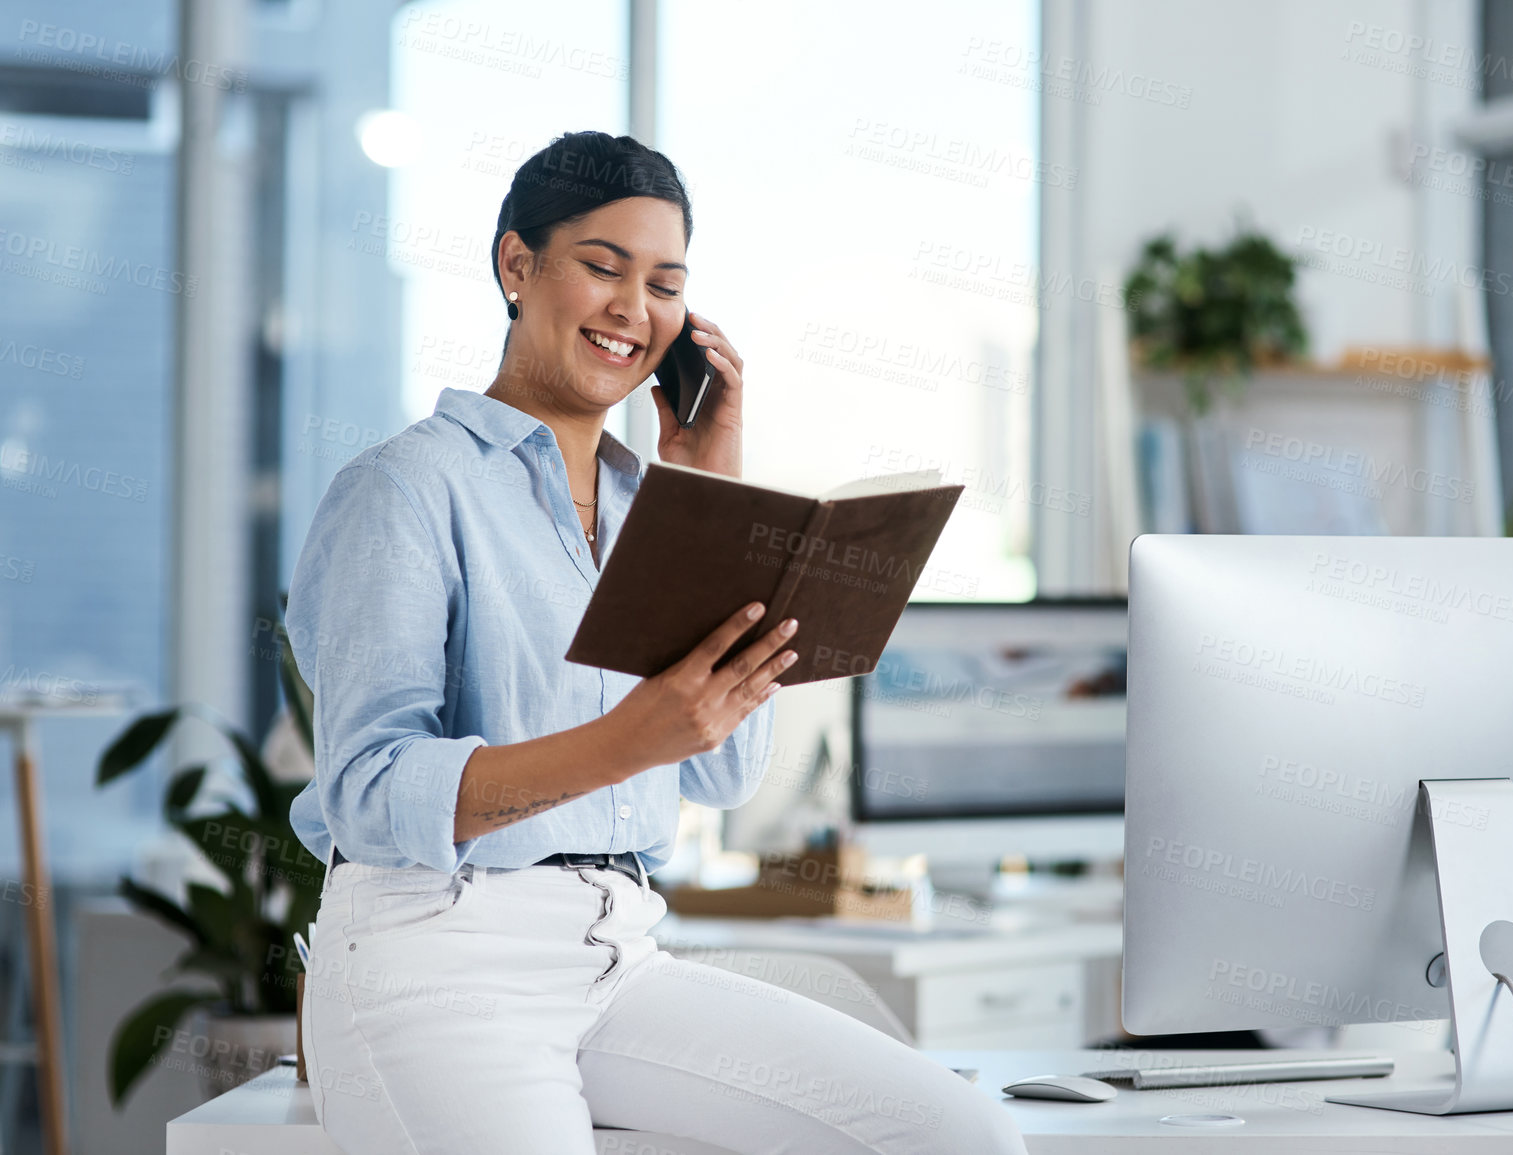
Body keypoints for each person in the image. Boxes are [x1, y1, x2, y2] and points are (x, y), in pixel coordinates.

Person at [286, 130, 1027, 1155]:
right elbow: (369, 793)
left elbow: (721, 771)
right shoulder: (407, 490)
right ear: (516, 265)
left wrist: (712, 491)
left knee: (957, 1135)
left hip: (616, 954)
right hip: (436, 958)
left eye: (666, 282)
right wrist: (631, 739)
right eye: (602, 267)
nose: (636, 307)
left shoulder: (653, 506)